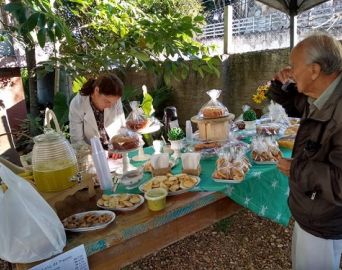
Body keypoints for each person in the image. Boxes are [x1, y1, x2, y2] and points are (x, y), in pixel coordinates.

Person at [268, 32, 342, 270]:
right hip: (314, 209)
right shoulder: (324, 92)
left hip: (325, 219)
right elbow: (297, 104)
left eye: (294, 66)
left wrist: (297, 169)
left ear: (314, 70)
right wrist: (281, 86)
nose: (290, 70)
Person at [69, 74, 125, 155]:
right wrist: (102, 153)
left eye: (114, 103)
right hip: (91, 155)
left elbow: (122, 128)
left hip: (115, 152)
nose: (110, 106)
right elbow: (77, 142)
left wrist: (118, 146)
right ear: (96, 91)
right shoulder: (77, 105)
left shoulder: (115, 100)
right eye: (107, 101)